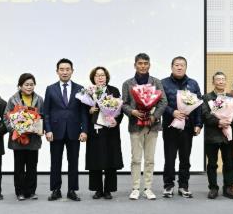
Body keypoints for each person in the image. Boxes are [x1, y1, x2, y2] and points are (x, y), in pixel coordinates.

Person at [121, 53, 167, 200]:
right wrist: (133, 112)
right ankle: (135, 188)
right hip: (135, 125)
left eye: (145, 63)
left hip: (152, 126)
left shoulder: (156, 82)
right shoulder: (127, 83)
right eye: (140, 63)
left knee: (149, 159)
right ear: (135, 65)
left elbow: (163, 102)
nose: (143, 66)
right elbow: (124, 104)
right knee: (136, 159)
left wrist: (154, 116)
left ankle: (148, 188)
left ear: (149, 65)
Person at [43, 58, 89, 201]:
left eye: (67, 69)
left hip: (74, 131)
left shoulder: (80, 89)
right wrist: (47, 129)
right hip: (55, 131)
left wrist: (84, 130)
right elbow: (46, 112)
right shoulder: (50, 89)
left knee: (73, 162)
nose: (64, 72)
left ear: (72, 71)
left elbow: (84, 112)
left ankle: (72, 190)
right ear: (57, 71)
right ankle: (55, 190)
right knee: (55, 162)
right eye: (61, 69)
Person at [161, 56, 203, 198]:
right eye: (177, 65)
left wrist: (198, 124)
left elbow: (199, 105)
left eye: (182, 65)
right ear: (171, 67)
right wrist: (172, 112)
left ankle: (183, 186)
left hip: (188, 127)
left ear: (186, 67)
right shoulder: (163, 83)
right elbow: (160, 103)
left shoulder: (193, 84)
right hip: (170, 126)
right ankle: (168, 186)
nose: (179, 67)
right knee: (169, 158)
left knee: (185, 158)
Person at [201, 72, 233, 199]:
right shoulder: (206, 97)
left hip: (227, 135)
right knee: (212, 164)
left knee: (229, 163)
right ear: (213, 82)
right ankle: (213, 188)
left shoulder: (231, 98)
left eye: (223, 79)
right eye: (218, 79)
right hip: (212, 135)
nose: (221, 81)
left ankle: (227, 188)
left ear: (226, 81)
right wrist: (219, 122)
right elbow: (205, 115)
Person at [85, 67, 123, 200]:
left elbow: (120, 110)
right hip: (95, 131)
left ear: (106, 77)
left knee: (110, 160)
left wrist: (116, 121)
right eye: (97, 75)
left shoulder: (114, 90)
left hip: (110, 130)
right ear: (93, 78)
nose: (100, 77)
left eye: (102, 75)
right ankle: (97, 189)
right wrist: (89, 111)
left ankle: (108, 190)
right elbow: (82, 112)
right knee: (95, 160)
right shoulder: (89, 92)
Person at [4, 73, 44, 201]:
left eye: (31, 84)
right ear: (20, 86)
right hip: (18, 139)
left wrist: (40, 128)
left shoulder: (39, 99)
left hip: (33, 139)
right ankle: (20, 192)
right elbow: (6, 117)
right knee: (19, 167)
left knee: (32, 167)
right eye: (26, 84)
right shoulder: (12, 99)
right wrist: (16, 128)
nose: (29, 87)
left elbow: (43, 116)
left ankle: (31, 192)